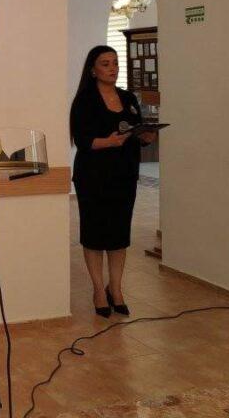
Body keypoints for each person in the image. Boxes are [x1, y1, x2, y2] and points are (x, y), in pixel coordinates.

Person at [70, 45, 155, 317]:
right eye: (105, 64)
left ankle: (115, 289)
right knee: (95, 235)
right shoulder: (84, 100)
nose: (113, 68)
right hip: (93, 176)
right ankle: (98, 290)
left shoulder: (128, 98)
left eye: (115, 63)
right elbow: (82, 140)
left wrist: (145, 137)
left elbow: (136, 131)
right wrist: (109, 142)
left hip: (124, 175)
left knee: (119, 235)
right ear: (93, 70)